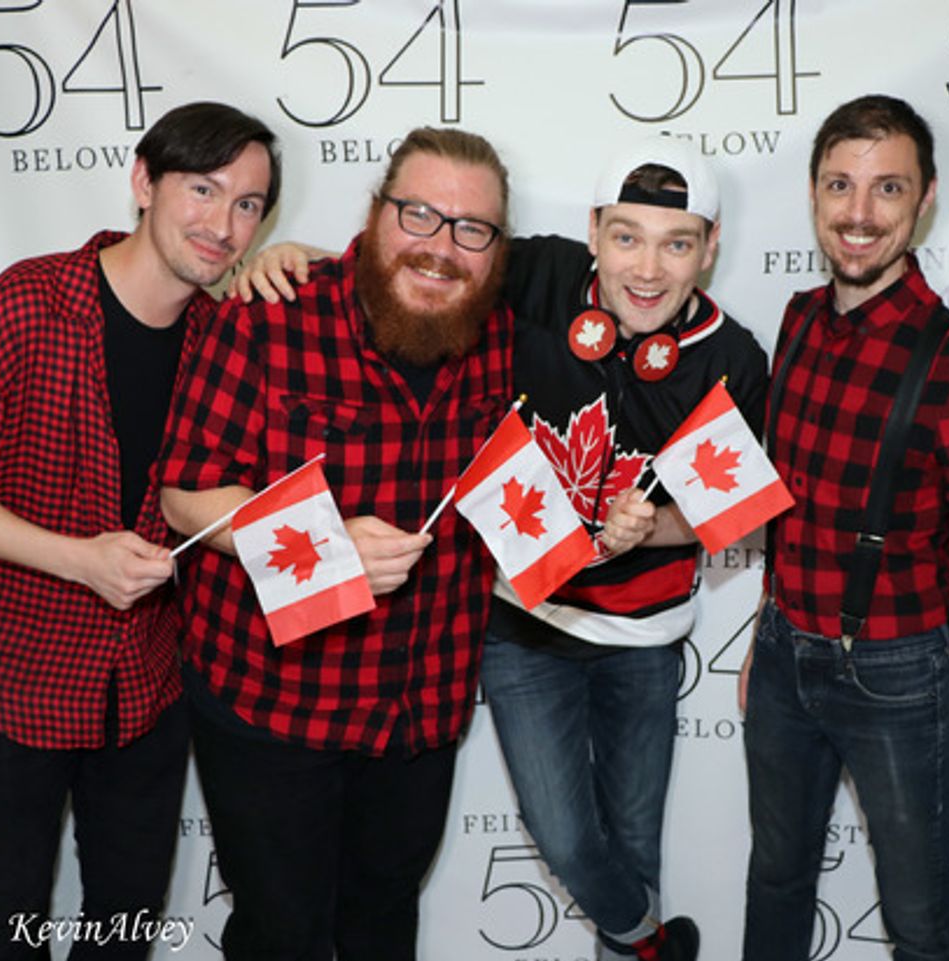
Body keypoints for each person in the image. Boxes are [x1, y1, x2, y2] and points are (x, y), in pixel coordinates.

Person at [236, 136, 766, 961]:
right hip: (527, 620)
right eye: (626, 235)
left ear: (712, 244)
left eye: (678, 241)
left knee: (633, 839)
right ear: (592, 231)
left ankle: (633, 945)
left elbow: (725, 518)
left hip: (646, 634)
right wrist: (301, 258)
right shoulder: (538, 276)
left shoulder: (733, 358)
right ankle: (649, 935)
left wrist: (649, 527)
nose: (649, 267)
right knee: (563, 834)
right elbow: (424, 260)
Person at [0, 101, 278, 959]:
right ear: (144, 182)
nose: (223, 223)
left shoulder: (224, 337)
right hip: (8, 681)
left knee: (125, 926)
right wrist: (78, 560)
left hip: (146, 687)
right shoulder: (20, 309)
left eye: (249, 204)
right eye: (203, 189)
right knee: (1, 923)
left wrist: (302, 261)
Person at [156, 126, 514, 961]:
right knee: (281, 933)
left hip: (419, 707)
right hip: (274, 706)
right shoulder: (273, 314)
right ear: (376, 210)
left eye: (472, 228)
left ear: (499, 246)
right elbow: (182, 495)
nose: (441, 246)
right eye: (418, 214)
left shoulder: (496, 330)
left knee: (384, 918)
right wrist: (320, 539)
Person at [738, 94, 949, 961]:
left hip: (897, 674)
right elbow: (786, 507)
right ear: (812, 194)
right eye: (840, 184)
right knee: (774, 876)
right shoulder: (798, 319)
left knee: (916, 912)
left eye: (887, 188)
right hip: (781, 651)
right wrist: (766, 634)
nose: (858, 212)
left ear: (925, 202)